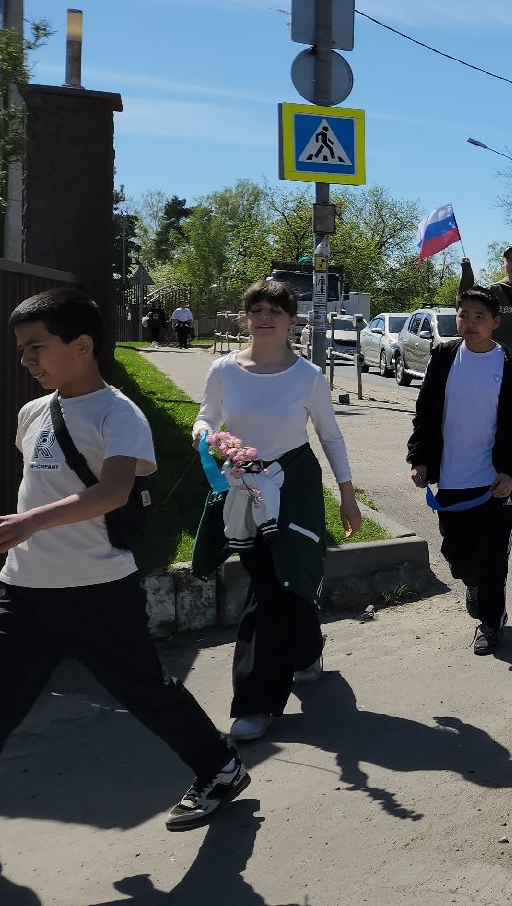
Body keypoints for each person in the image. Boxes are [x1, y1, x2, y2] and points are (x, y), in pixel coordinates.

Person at [0, 291, 248, 898]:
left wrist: (26, 523)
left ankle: (220, 767)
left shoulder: (118, 414)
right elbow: (44, 486)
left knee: (147, 695)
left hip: (98, 592)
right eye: (21, 350)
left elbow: (112, 493)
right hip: (22, 594)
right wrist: (25, 528)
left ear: (82, 346)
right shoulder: (32, 415)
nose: (28, 360)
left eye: (37, 348)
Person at [191, 279, 361, 744]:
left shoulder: (308, 376)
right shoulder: (224, 370)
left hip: (295, 485)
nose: (264, 317)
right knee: (274, 579)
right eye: (257, 309)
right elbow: (206, 416)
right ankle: (306, 654)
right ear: (246, 317)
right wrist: (206, 435)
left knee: (270, 591)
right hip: (243, 483)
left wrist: (347, 494)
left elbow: (330, 436)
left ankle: (256, 700)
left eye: (275, 310)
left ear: (291, 320)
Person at [406, 289, 512, 656]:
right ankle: (473, 584)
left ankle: (491, 623)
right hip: (451, 479)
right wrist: (419, 458)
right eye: (464, 315)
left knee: (494, 558)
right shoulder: (444, 357)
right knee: (458, 554)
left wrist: (511, 473)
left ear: (495, 322)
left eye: (480, 316)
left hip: (495, 484)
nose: (471, 323)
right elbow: (425, 413)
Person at [458, 243, 512, 376]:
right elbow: (465, 303)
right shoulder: (493, 290)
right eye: (510, 260)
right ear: (503, 263)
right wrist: (466, 271)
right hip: (494, 360)